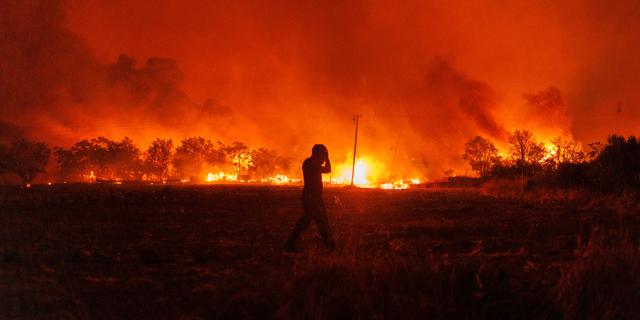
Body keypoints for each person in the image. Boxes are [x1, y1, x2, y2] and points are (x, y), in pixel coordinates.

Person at [285, 144, 335, 252]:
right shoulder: (309, 163)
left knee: (318, 221)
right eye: (322, 155)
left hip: (315, 198)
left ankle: (330, 245)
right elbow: (326, 169)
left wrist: (326, 157)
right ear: (317, 154)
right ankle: (330, 245)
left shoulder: (314, 163)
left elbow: (328, 169)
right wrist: (326, 157)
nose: (323, 158)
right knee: (318, 221)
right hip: (310, 198)